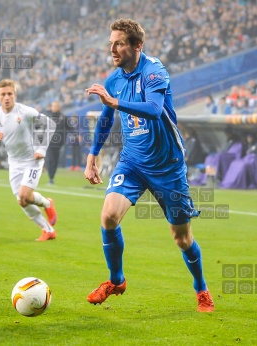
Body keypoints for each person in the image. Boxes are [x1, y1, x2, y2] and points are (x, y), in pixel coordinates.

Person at [83, 18, 214, 312]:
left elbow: (154, 110)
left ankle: (201, 289)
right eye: (111, 43)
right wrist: (93, 154)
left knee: (182, 238)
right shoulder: (114, 78)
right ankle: (116, 281)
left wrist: (115, 103)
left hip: (167, 166)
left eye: (119, 43)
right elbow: (106, 118)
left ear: (137, 46)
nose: (113, 49)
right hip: (132, 162)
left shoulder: (155, 71)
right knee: (108, 217)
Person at [0, 79, 58, 242]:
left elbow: (50, 124)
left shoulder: (24, 112)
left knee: (25, 194)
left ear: (15, 95)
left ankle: (47, 205)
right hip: (14, 163)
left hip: (32, 160)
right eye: (3, 94)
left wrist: (41, 149)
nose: (7, 97)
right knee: (23, 202)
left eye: (10, 93)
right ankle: (48, 228)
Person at [45, 101, 66, 184]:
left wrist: (76, 135)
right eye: (53, 106)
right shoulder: (48, 116)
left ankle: (52, 177)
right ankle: (50, 176)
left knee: (55, 160)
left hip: (59, 143)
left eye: (56, 106)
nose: (54, 107)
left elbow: (69, 127)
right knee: (49, 159)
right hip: (49, 142)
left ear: (59, 107)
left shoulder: (63, 117)